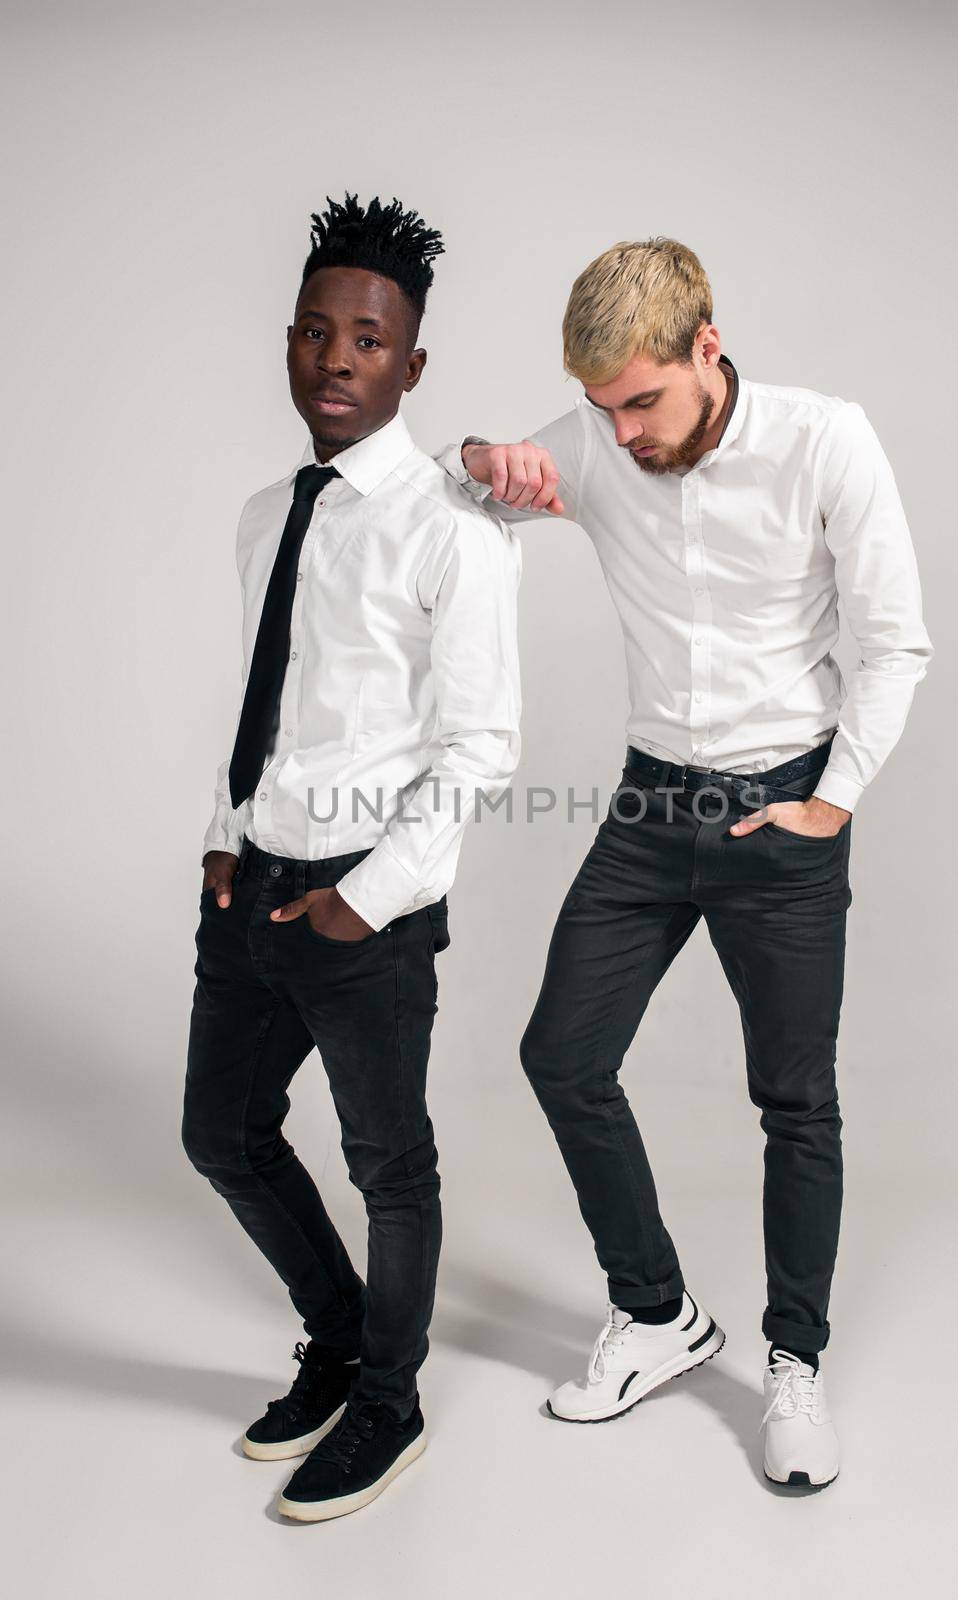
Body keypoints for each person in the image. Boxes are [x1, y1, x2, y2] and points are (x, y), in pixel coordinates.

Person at [435, 236, 932, 1487]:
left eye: (641, 400)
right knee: (560, 1054)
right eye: (602, 408)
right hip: (650, 807)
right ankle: (657, 1313)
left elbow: (893, 643)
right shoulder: (600, 436)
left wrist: (834, 800)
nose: (623, 433)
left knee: (793, 1100)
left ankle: (793, 1364)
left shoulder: (825, 440)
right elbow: (489, 486)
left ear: (707, 346)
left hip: (783, 808)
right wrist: (479, 458)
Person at [183, 192, 521, 1521]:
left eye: (369, 341)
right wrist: (223, 838)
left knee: (390, 1164)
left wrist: (363, 902)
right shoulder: (268, 513)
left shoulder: (455, 524)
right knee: (221, 1132)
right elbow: (268, 692)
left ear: (410, 364)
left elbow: (482, 747)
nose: (338, 359)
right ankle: (336, 1343)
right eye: (317, 334)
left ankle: (390, 1401)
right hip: (250, 885)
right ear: (288, 343)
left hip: (364, 903)